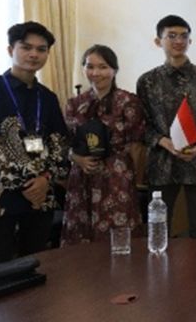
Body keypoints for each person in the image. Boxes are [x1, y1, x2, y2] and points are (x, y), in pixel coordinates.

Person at [0, 21, 69, 266]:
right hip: (1, 196)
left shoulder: (47, 97)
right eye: (26, 47)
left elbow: (59, 145)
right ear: (10, 50)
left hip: (41, 195)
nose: (34, 54)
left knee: (36, 265)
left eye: (41, 49)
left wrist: (45, 179)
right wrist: (28, 183)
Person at [136, 15, 196, 240]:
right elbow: (141, 126)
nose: (178, 41)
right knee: (158, 228)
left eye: (184, 36)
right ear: (158, 41)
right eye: (172, 36)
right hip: (162, 164)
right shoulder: (147, 81)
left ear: (190, 41)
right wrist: (164, 142)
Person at [61, 45, 146, 246]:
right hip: (82, 177)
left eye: (103, 67)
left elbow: (137, 144)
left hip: (117, 178)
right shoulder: (74, 104)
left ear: (114, 70)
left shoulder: (128, 101)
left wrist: (134, 179)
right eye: (90, 67)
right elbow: (64, 144)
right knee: (81, 238)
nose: (96, 73)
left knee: (118, 237)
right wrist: (77, 159)